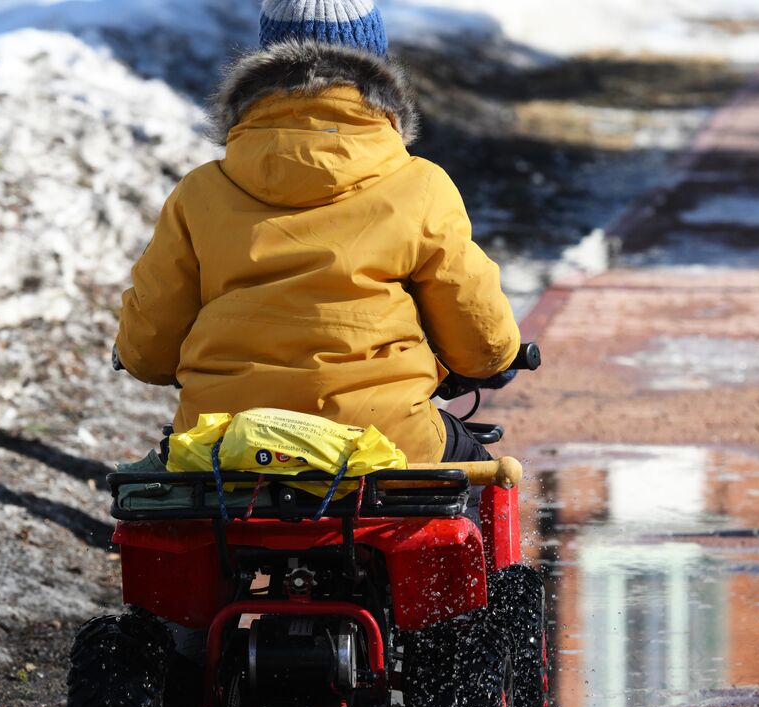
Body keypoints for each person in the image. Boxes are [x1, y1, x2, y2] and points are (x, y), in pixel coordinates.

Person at [114, 0, 519, 465]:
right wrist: (496, 357)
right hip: (385, 443)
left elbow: (148, 354)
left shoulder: (200, 192)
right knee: (479, 480)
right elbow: (481, 345)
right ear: (377, 73)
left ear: (263, 66)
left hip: (227, 446)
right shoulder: (421, 186)